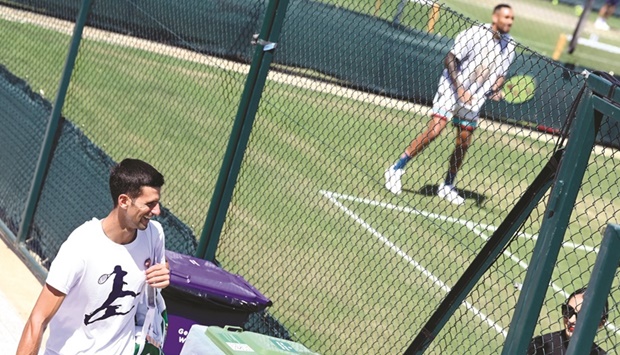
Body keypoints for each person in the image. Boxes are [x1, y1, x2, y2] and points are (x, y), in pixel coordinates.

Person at [17, 158, 171, 354]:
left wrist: (164, 271)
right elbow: (37, 320)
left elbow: (157, 267)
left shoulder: (154, 234)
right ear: (124, 201)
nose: (157, 211)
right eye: (150, 204)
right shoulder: (81, 246)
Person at [384, 4, 515, 205]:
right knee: (435, 130)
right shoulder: (476, 33)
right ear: (495, 17)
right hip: (451, 89)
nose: (510, 22)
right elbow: (450, 58)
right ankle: (396, 169)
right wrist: (460, 89)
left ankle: (447, 185)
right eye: (506, 17)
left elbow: (500, 75)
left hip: (474, 97)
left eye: (512, 19)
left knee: (463, 141)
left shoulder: (510, 45)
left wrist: (495, 89)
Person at [527, 287, 608, 355]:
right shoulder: (541, 346)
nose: (571, 320)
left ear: (601, 323)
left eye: (581, 316)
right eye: (568, 311)